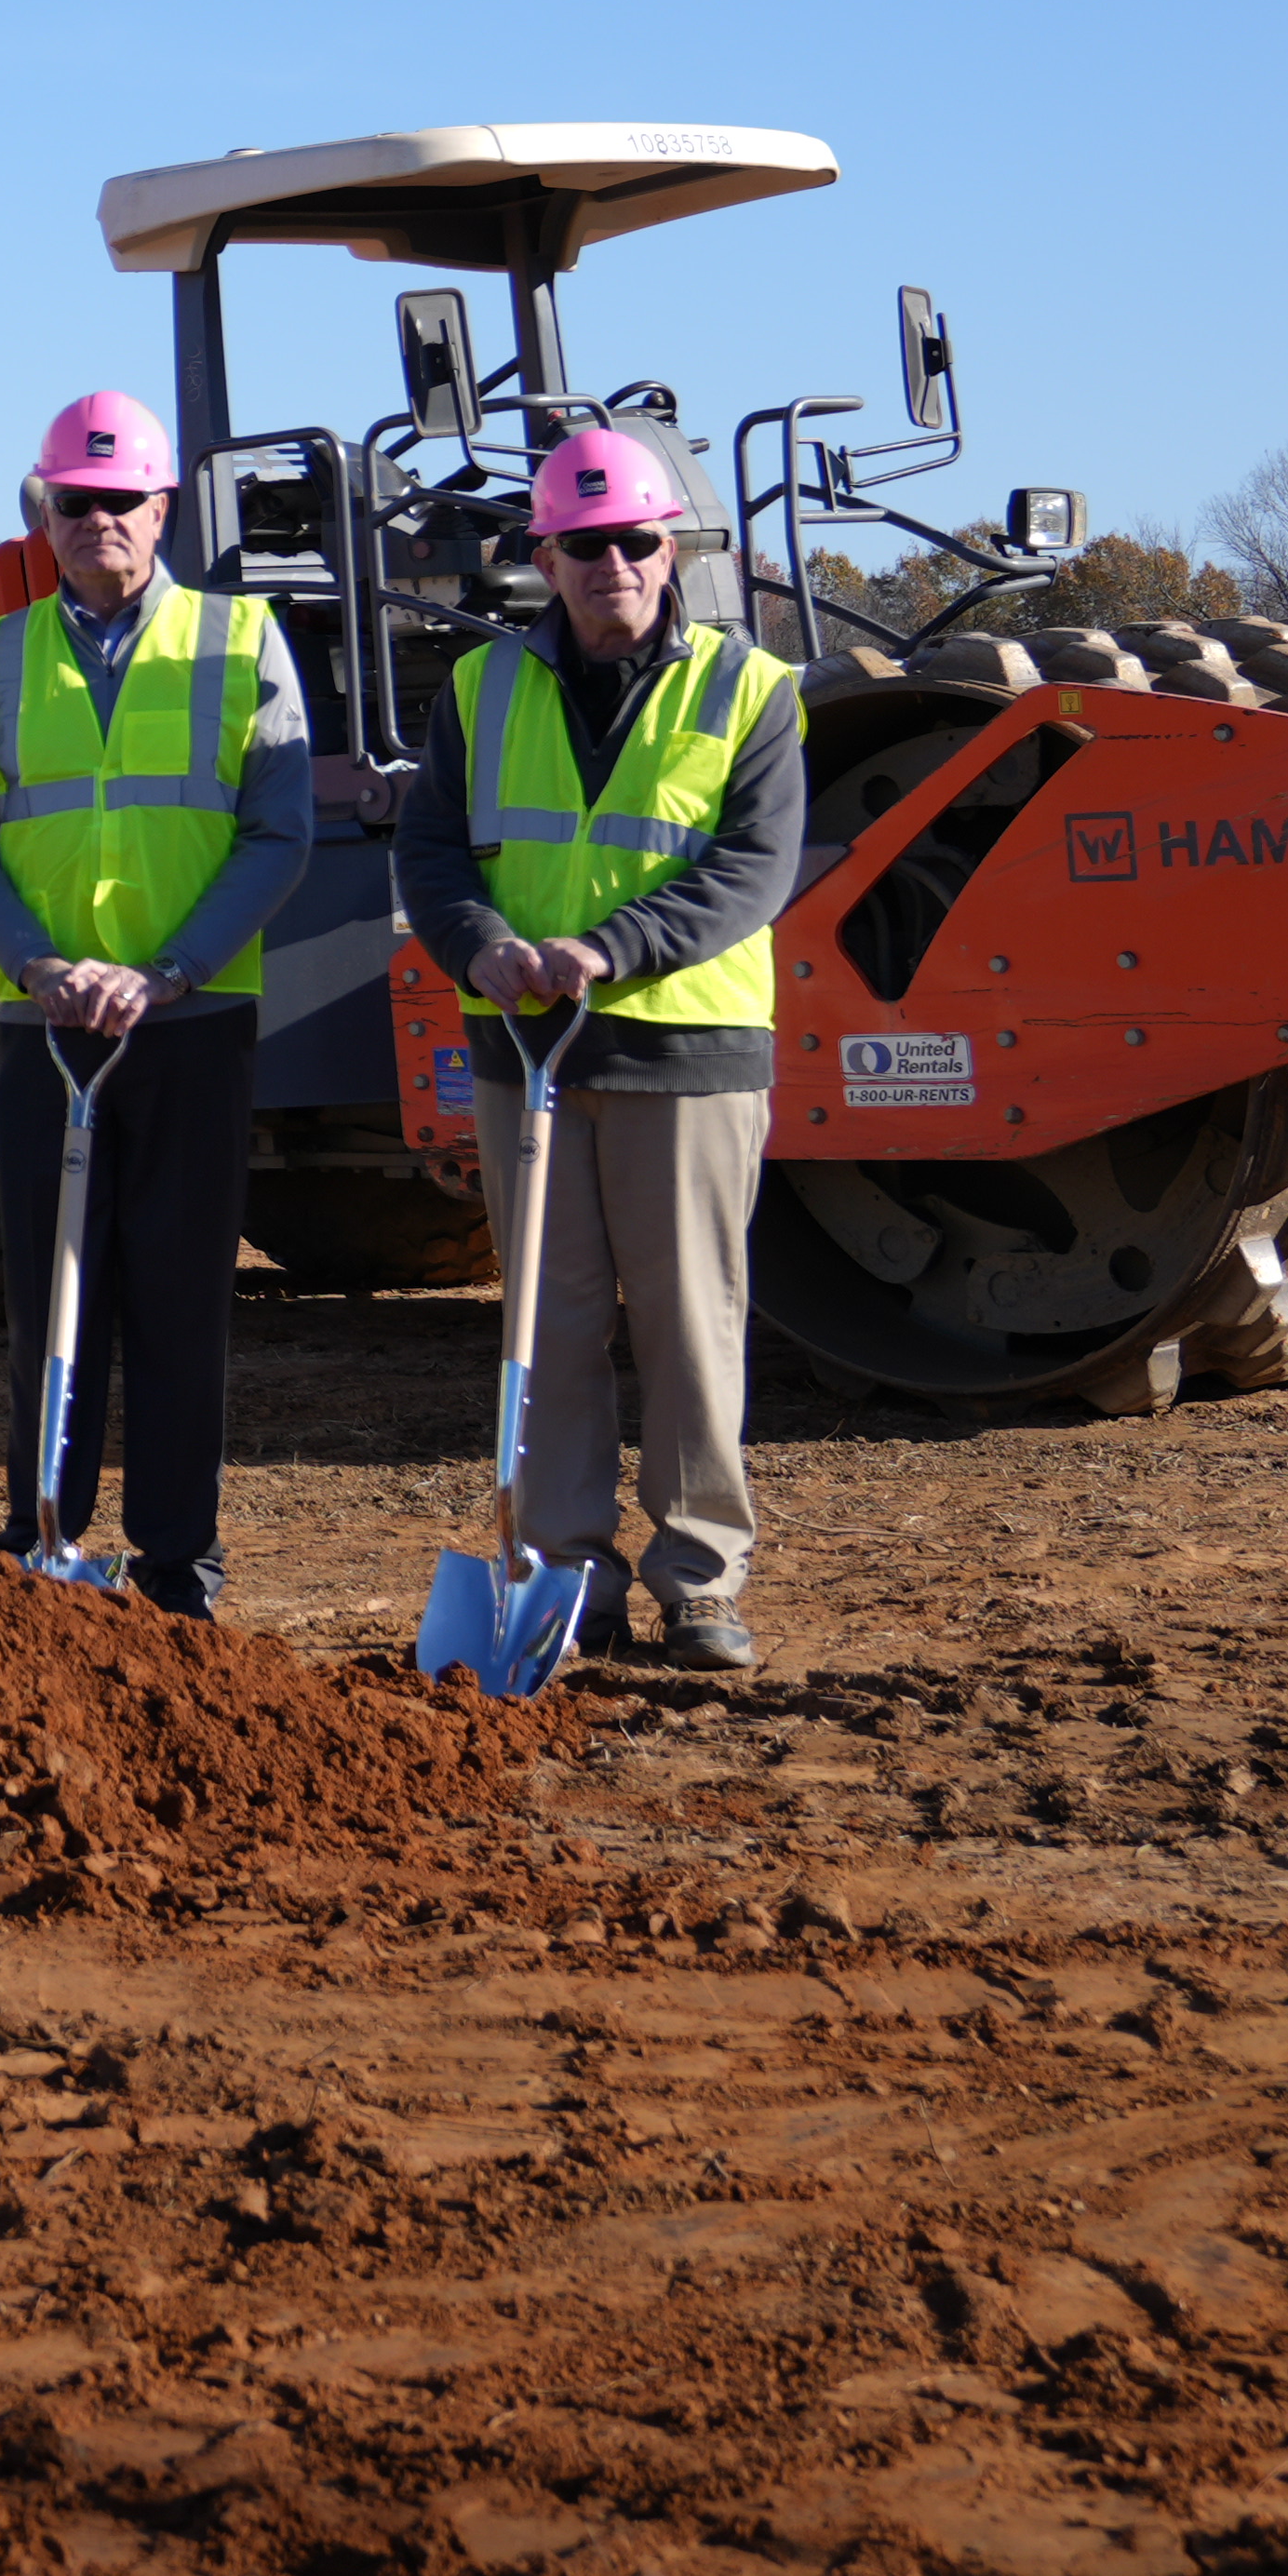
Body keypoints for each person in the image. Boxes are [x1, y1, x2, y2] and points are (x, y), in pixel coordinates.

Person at [393, 428, 806, 1677]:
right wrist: (482, 951)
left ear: (669, 548)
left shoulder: (752, 692)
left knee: (690, 1326)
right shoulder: (480, 690)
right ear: (546, 556)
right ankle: (566, 1575)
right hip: (530, 1053)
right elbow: (434, 855)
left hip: (687, 1049)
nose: (614, 563)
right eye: (587, 545)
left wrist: (609, 949)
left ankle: (700, 1580)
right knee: (551, 1327)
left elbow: (754, 868)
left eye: (635, 540)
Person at [0, 389, 310, 1614]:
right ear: (46, 513)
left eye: (123, 501)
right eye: (76, 503)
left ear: (164, 507)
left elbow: (278, 833)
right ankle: (43, 1529)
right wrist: (42, 968)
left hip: (188, 1026)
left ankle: (177, 1555)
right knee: (52, 1297)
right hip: (43, 1031)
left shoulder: (240, 642)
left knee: (180, 1298)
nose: (100, 521)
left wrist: (169, 972)